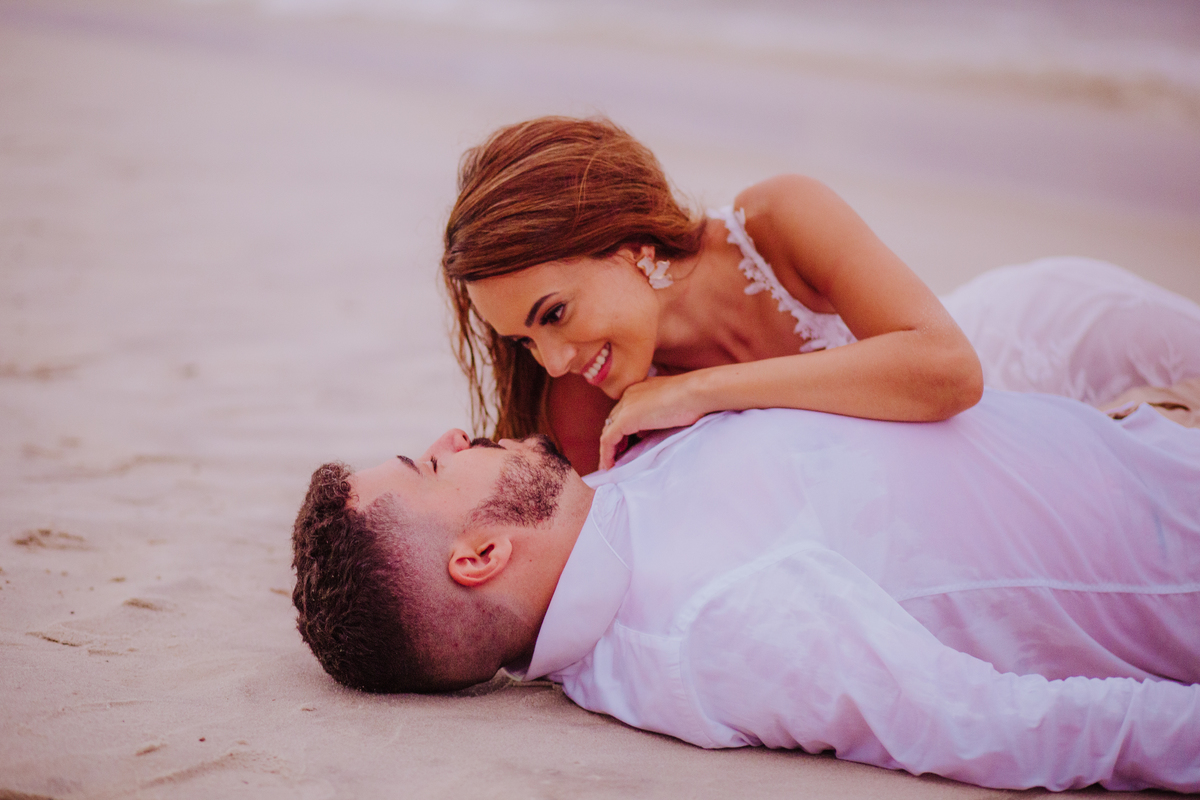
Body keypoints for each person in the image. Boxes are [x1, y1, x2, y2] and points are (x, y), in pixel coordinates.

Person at [291, 389, 1200, 792]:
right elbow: (1003, 727)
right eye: (430, 462)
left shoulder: (601, 506)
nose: (452, 433)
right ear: (481, 555)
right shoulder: (712, 627)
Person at [441, 116, 1200, 473]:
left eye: (554, 315)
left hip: (1042, 333)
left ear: (631, 243)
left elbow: (950, 371)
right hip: (991, 458)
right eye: (524, 342)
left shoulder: (776, 223)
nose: (557, 358)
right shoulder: (582, 402)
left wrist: (699, 392)